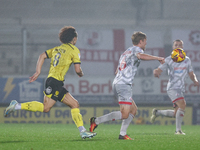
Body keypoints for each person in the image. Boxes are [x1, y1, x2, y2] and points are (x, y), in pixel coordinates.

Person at [4, 26, 96, 139]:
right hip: (55, 82)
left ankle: (83, 132)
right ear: (74, 38)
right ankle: (16, 106)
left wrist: (38, 71)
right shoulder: (74, 50)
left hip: (53, 81)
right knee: (46, 108)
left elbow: (42, 56)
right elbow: (78, 70)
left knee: (74, 104)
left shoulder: (57, 48)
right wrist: (81, 73)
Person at [89, 31, 165, 140]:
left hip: (117, 83)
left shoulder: (126, 52)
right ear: (141, 41)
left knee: (133, 110)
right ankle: (96, 121)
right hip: (123, 84)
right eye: (145, 42)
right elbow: (140, 56)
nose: (145, 44)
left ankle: (122, 134)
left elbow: (117, 71)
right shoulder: (137, 50)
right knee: (124, 114)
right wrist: (158, 58)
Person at [150, 39, 199, 135]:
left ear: (182, 47)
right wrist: (156, 72)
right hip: (172, 87)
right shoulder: (168, 59)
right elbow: (159, 69)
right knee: (183, 104)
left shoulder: (187, 60)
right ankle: (178, 131)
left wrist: (195, 80)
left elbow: (191, 73)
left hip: (180, 89)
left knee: (176, 113)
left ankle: (157, 112)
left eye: (180, 45)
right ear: (173, 47)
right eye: (176, 45)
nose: (178, 46)